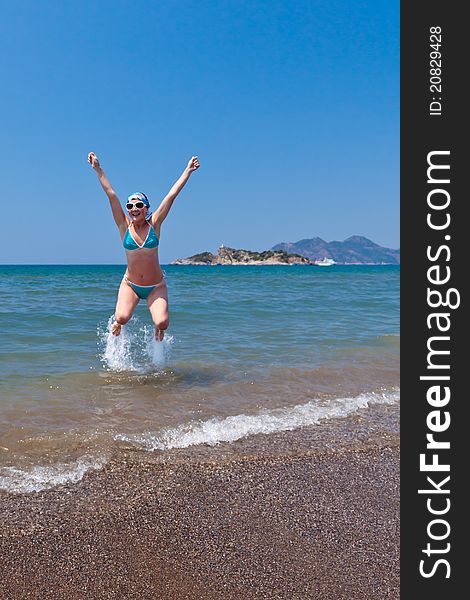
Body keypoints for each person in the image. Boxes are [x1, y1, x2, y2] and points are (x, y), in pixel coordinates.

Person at [87, 152, 200, 341]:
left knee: (162, 322)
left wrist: (188, 171)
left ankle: (160, 329)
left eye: (138, 205)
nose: (133, 209)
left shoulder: (154, 225)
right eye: (130, 206)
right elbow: (111, 195)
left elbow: (171, 196)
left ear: (146, 208)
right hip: (130, 285)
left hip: (155, 286)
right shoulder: (124, 226)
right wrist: (98, 168)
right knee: (121, 318)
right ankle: (118, 324)